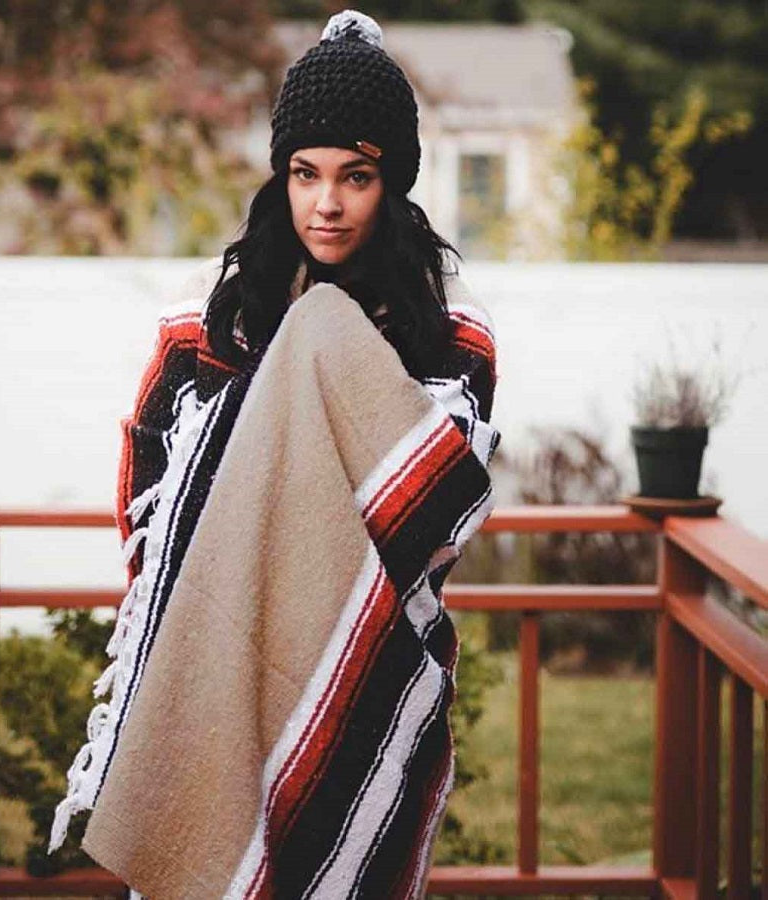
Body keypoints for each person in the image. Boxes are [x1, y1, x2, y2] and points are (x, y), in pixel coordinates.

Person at [49, 10, 500, 898]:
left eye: (355, 177)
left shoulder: (452, 347)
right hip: (208, 672)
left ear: (394, 184)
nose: (325, 203)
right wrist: (217, 621)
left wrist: (323, 350)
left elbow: (435, 521)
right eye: (304, 174)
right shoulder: (205, 333)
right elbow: (145, 513)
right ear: (280, 176)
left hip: (362, 676)